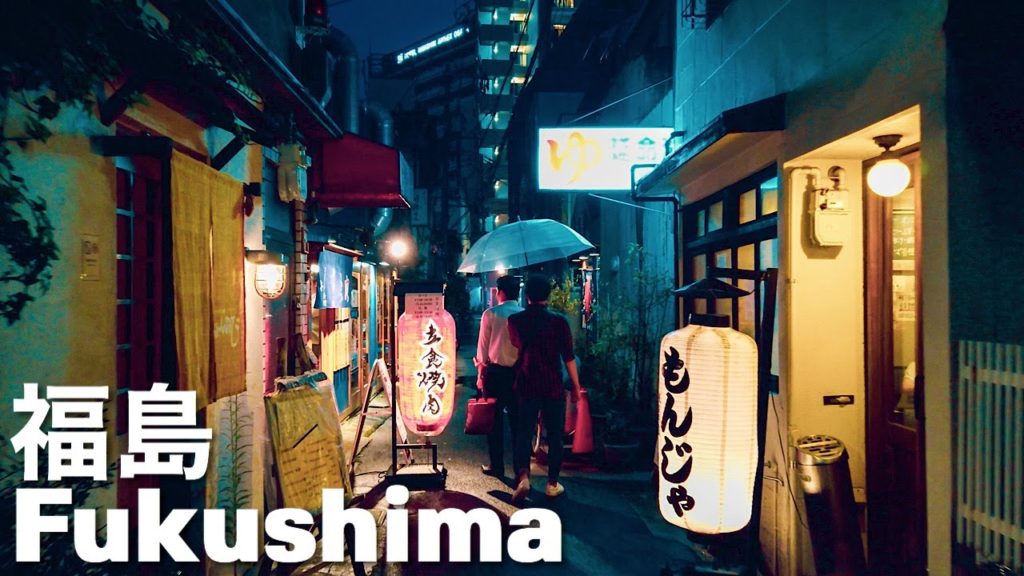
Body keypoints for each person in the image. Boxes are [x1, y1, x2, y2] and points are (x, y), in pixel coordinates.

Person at [508, 274, 582, 502]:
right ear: (548, 295)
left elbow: (515, 344)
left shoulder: (515, 320)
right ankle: (552, 483)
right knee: (556, 436)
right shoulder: (559, 321)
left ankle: (523, 478)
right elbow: (568, 357)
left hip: (527, 382)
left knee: (523, 432)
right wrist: (577, 387)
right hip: (552, 385)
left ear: (526, 295)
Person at [473, 275, 524, 478]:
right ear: (518, 292)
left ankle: (497, 466)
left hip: (495, 374)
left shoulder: (491, 314)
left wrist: (480, 375)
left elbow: (482, 349)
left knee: (493, 423)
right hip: (519, 374)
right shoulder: (523, 315)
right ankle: (520, 469)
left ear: (499, 292)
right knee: (517, 423)